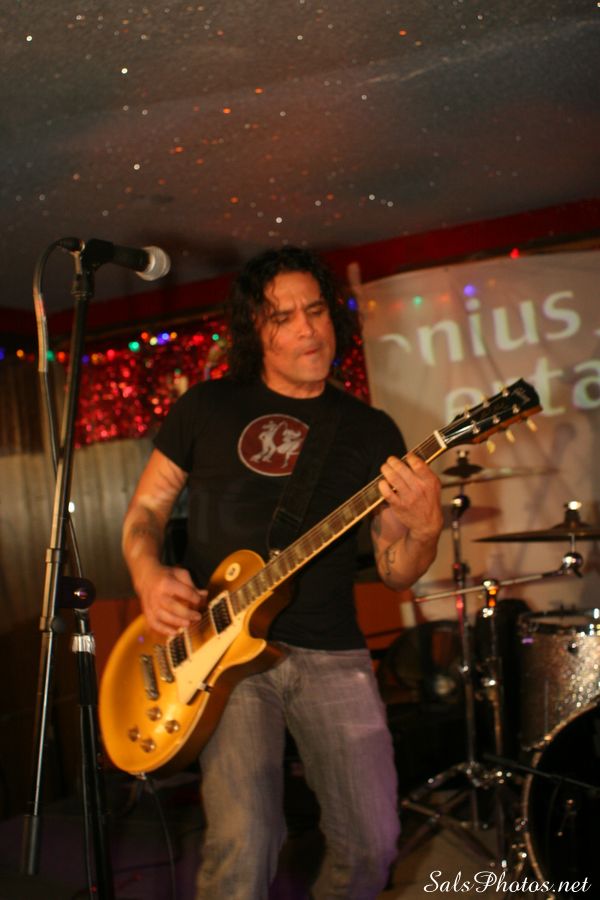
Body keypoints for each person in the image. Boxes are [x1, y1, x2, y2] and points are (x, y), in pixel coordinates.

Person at [121, 245, 443, 899]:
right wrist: (148, 574)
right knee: (243, 847)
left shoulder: (368, 429)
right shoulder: (206, 406)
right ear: (254, 330)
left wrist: (427, 530)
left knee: (373, 844)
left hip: (333, 653)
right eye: (283, 317)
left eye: (316, 311)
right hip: (221, 656)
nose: (307, 328)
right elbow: (147, 511)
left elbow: (395, 570)